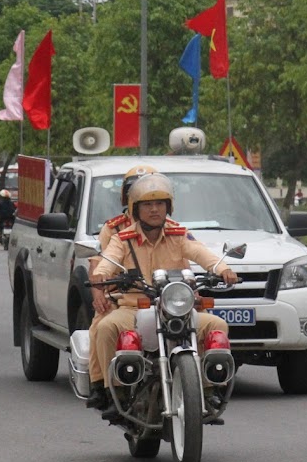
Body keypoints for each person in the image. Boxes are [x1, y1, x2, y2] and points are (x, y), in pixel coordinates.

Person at [91, 173, 239, 419]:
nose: (154, 210)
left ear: (168, 207)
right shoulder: (122, 238)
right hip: (134, 307)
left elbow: (201, 253)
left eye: (160, 204)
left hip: (175, 306)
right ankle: (113, 391)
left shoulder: (178, 234)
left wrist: (223, 269)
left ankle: (210, 387)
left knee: (217, 324)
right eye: (147, 205)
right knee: (106, 327)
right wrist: (101, 274)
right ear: (135, 209)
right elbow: (108, 260)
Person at [84, 163, 156, 410]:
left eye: (153, 195)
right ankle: (102, 385)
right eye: (138, 192)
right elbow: (98, 264)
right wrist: (98, 293)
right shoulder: (113, 227)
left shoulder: (171, 227)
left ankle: (205, 383)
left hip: (161, 296)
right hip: (121, 295)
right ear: (128, 196)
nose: (150, 203)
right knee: (99, 327)